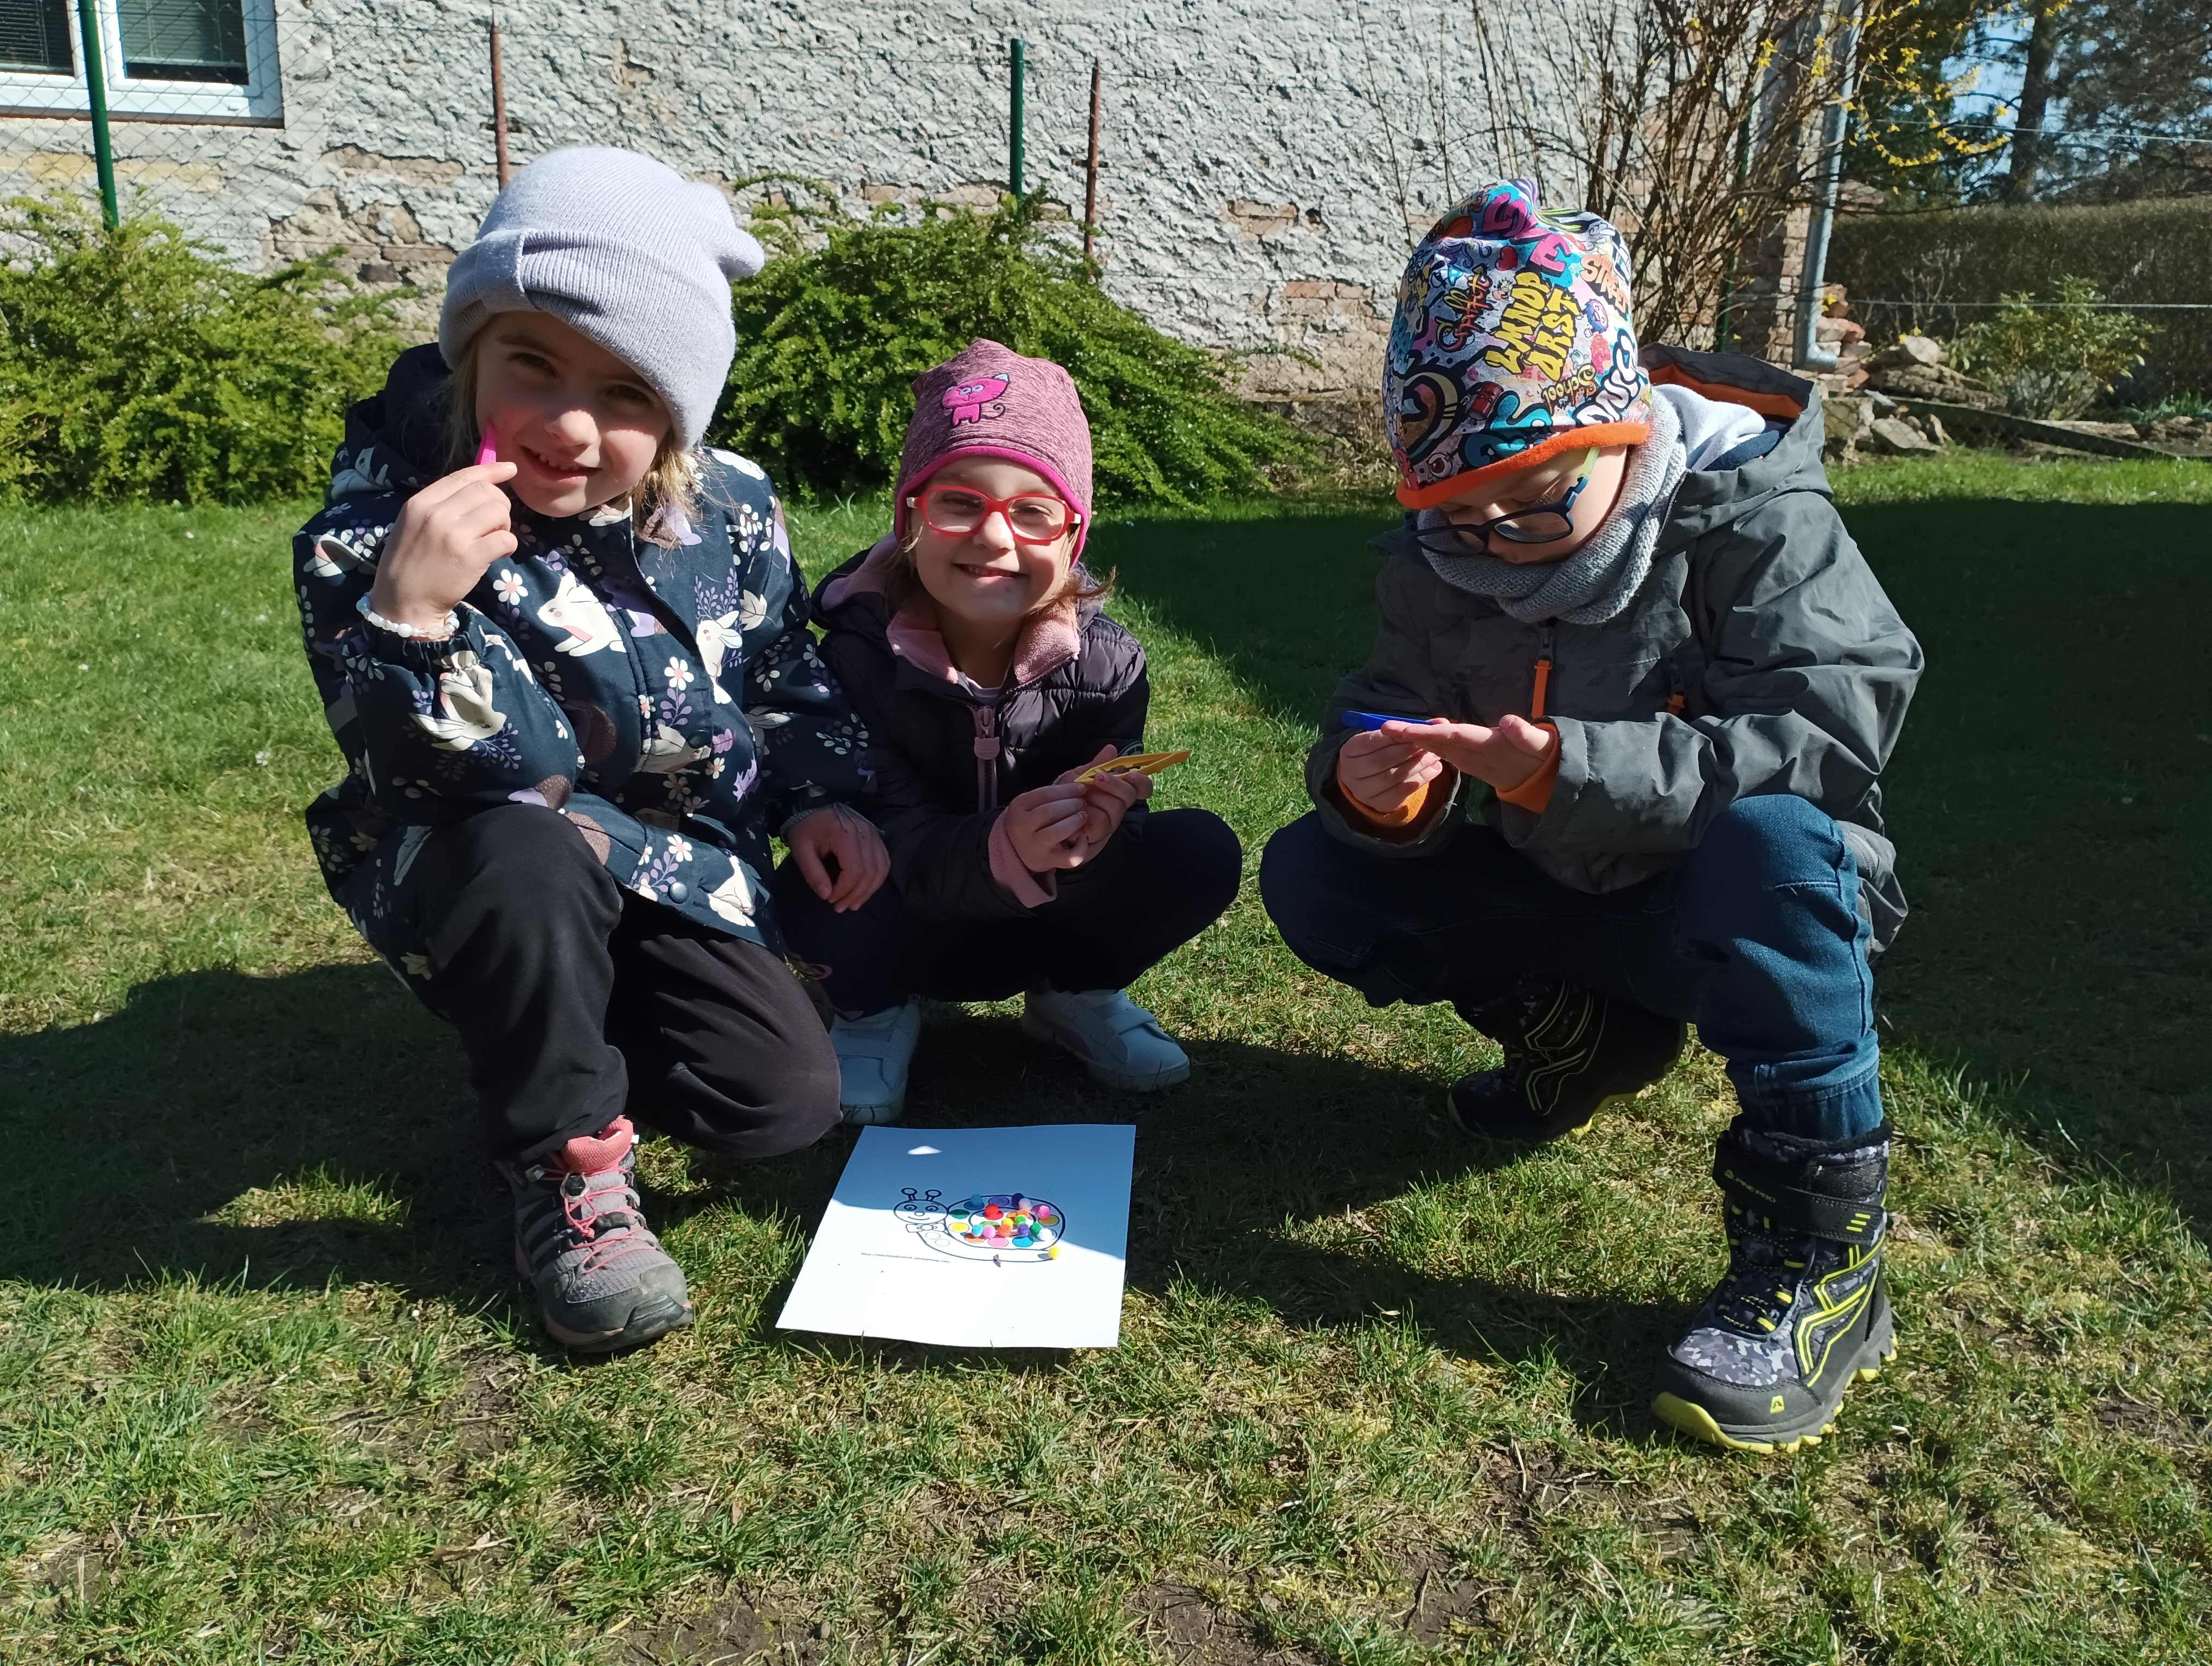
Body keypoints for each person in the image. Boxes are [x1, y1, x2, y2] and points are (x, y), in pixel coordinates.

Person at [1259, 180, 1923, 1452]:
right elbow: (1381, 701)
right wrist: (1372, 783)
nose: (1497, 541)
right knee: (1320, 871)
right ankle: (1586, 1041)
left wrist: (1569, 769)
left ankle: (1823, 1257)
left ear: (1623, 436)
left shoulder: (1756, 518)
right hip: (1559, 880)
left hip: (1728, 908)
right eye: (1460, 514)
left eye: (1534, 500)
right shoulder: (1444, 562)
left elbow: (1827, 734)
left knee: (1777, 842)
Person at [292, 148, 886, 1353]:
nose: (572, 426)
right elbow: (478, 777)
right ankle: (563, 1167)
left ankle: (558, 1029)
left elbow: (781, 666)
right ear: (471, 351)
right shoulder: (382, 532)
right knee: (527, 845)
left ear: (676, 412)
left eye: (625, 392)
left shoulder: (727, 506)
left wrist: (820, 796)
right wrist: (413, 621)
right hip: (491, 856)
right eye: (533, 364)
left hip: (674, 868)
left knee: (778, 1105)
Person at [783, 340, 1243, 1124]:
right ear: (910, 519)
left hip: (1045, 922)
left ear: (1073, 536)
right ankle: (871, 1012)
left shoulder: (1110, 664)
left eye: (1033, 512)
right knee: (820, 869)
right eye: (959, 503)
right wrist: (1002, 846)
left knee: (1197, 850)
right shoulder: (856, 657)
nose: (995, 539)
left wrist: (1093, 837)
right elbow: (887, 825)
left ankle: (1075, 996)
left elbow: (1121, 831)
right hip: (907, 925)